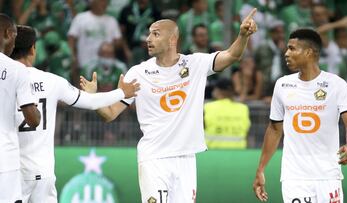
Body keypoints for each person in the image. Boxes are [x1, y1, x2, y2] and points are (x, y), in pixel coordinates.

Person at [81, 9, 257, 202]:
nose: (148, 38)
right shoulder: (138, 73)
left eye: (155, 34)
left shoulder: (195, 64)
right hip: (154, 159)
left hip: (186, 159)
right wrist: (92, 99)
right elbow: (110, 114)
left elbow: (232, 55)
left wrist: (242, 35)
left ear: (172, 40)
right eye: (149, 33)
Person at [10, 25, 140, 203]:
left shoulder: (5, 80)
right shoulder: (52, 81)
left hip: (13, 171)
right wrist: (121, 93)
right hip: (44, 172)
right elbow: (91, 102)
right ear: (33, 48)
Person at [253, 28, 347, 203]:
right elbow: (274, 129)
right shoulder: (282, 85)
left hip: (328, 176)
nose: (286, 53)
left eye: (292, 48)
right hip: (294, 177)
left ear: (309, 52)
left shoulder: (336, 84)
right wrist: (260, 169)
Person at [0, 14, 40, 203]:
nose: (14, 45)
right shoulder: (17, 70)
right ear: (8, 33)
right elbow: (33, 119)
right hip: (5, 159)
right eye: (15, 38)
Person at [204, 78, 251, 149]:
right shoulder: (243, 108)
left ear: (218, 91)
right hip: (239, 154)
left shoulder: (208, 107)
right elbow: (247, 134)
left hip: (212, 154)